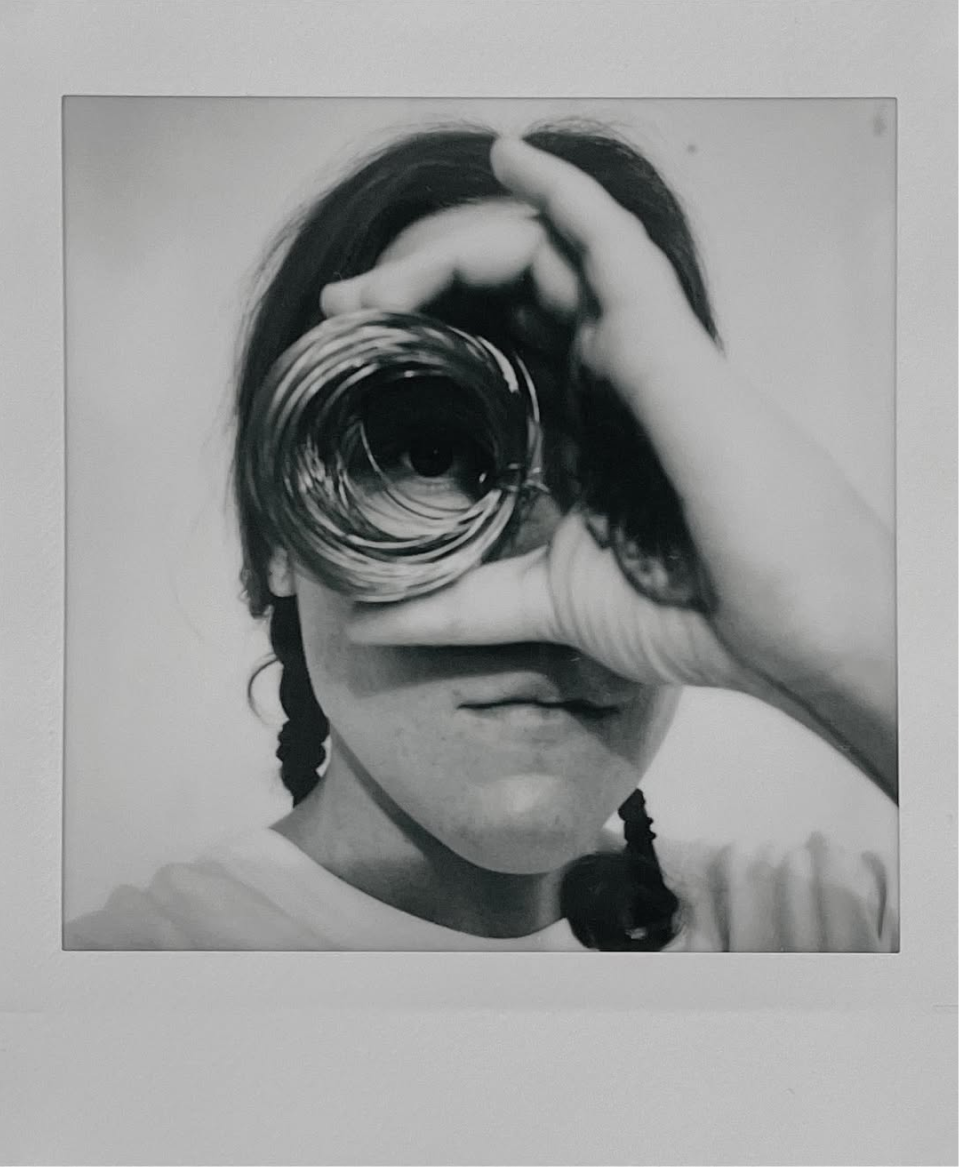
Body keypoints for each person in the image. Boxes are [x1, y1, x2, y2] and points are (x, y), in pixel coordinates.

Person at [64, 122, 898, 952]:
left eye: (620, 458)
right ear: (279, 532)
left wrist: (842, 639)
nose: (549, 582)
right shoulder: (121, 981)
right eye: (432, 453)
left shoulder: (842, 930)